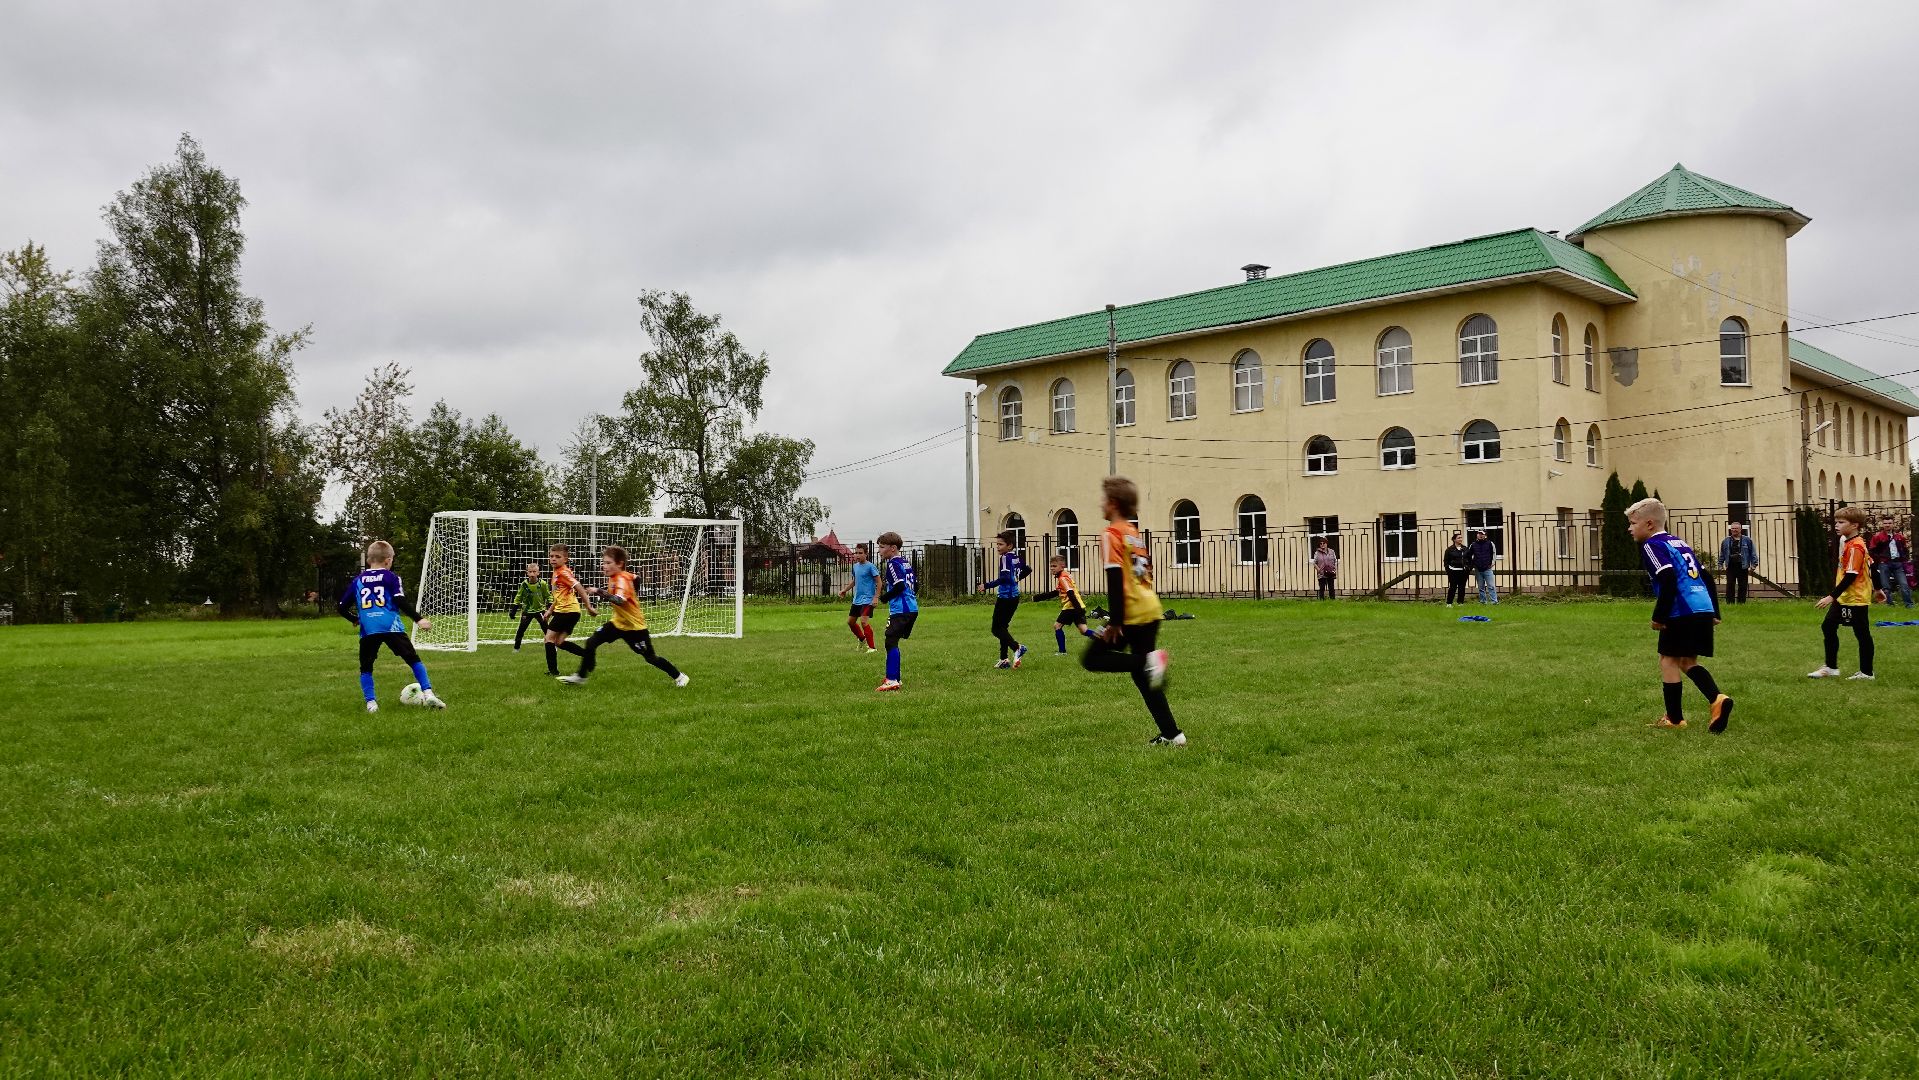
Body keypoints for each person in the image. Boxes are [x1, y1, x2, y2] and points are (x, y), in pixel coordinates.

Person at [1081, 476, 1183, 746]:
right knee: (1145, 678)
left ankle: (1149, 662)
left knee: (1092, 659)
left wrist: (1115, 621)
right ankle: (1173, 734)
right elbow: (1144, 572)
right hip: (1150, 607)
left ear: (1113, 503)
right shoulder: (1133, 533)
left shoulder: (1110, 534)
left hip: (1130, 612)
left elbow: (1115, 579)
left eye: (1104, 499)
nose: (1101, 504)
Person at [1626, 499, 1730, 732]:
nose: (1629, 528)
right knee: (1687, 661)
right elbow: (1707, 577)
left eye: (1633, 523)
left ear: (1649, 524)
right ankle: (1718, 699)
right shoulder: (1678, 542)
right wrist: (1713, 610)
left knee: (1668, 660)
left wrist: (1659, 616)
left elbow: (1669, 578)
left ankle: (1674, 719)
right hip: (1701, 607)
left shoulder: (1652, 546)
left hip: (1681, 610)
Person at [337, 539, 445, 712]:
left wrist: (354, 619)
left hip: (369, 629)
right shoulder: (391, 577)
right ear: (388, 560)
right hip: (391, 627)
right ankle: (428, 693)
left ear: (368, 560)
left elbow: (341, 607)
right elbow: (399, 599)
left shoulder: (358, 580)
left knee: (366, 667)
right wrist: (418, 619)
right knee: (413, 659)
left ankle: (371, 703)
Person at [558, 545, 688, 687]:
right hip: (618, 623)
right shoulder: (619, 576)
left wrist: (598, 591)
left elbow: (619, 601)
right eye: (604, 562)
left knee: (650, 657)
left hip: (634, 628)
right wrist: (634, 592)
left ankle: (679, 676)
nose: (604, 566)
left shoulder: (621, 580)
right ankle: (581, 676)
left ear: (619, 564)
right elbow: (637, 577)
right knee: (591, 642)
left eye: (608, 563)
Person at [1809, 506, 1884, 680]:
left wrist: (1831, 596)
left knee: (1862, 633)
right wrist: (1879, 589)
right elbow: (1872, 566)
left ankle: (1866, 672)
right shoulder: (1848, 541)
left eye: (1841, 522)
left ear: (1855, 525)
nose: (1836, 525)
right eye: (1836, 521)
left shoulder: (1856, 547)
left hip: (1855, 598)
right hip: (1845, 597)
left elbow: (1851, 575)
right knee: (1828, 626)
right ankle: (1831, 667)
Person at [539, 543, 597, 678]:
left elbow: (580, 588)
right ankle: (588, 655)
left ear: (565, 559)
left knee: (549, 639)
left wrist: (588, 606)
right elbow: (559, 596)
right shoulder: (557, 572)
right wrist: (549, 611)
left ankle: (553, 672)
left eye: (557, 556)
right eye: (551, 556)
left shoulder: (563, 573)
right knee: (559, 642)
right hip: (570, 612)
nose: (553, 559)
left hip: (567, 612)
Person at [980, 530, 1031, 668]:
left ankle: (1017, 648)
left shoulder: (1005, 558)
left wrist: (986, 585)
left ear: (1009, 545)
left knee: (996, 629)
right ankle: (1004, 659)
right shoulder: (1016, 557)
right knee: (1003, 628)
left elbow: (1004, 578)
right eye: (997, 544)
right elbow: (1027, 569)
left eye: (1000, 544)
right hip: (1014, 597)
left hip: (1005, 597)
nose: (998, 547)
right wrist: (1016, 580)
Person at [874, 532, 917, 692]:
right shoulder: (905, 563)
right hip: (911, 608)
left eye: (882, 547)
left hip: (902, 609)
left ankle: (892, 679)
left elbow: (899, 586)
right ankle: (894, 678)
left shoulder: (892, 564)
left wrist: (884, 598)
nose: (879, 551)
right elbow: (915, 585)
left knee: (890, 640)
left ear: (892, 548)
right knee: (892, 639)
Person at [1032, 552, 1094, 654]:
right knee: (1084, 630)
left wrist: (1077, 609)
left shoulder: (1062, 578)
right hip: (1078, 606)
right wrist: (1037, 598)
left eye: (1054, 566)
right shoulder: (1065, 576)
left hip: (1071, 607)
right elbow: (1056, 593)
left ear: (1062, 566)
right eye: (1051, 566)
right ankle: (1105, 639)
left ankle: (1062, 652)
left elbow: (1070, 593)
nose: (1052, 568)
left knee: (1057, 626)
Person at [838, 543, 880, 653]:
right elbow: (855, 581)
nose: (857, 555)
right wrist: (844, 590)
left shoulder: (871, 566)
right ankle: (862, 639)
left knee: (864, 622)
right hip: (857, 599)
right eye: (856, 553)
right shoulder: (855, 567)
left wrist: (876, 597)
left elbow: (879, 582)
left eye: (860, 553)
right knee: (850, 622)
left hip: (868, 599)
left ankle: (872, 648)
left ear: (866, 554)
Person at [1869, 517, 1914, 609]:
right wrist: (1879, 559)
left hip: (1897, 563)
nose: (1887, 525)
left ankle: (1909, 604)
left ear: (1893, 524)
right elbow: (1872, 550)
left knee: (1904, 584)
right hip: (1884, 563)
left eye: (1889, 523)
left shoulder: (1899, 537)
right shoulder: (1878, 537)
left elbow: (1904, 549)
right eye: (1885, 523)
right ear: (1882, 524)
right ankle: (1889, 604)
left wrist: (1904, 559)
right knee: (1886, 586)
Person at [509, 561, 551, 650]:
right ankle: (516, 648)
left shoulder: (542, 584)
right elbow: (518, 597)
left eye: (534, 571)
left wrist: (550, 607)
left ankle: (552, 646)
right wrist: (514, 610)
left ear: (538, 573)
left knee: (546, 630)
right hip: (527, 611)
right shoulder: (524, 584)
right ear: (527, 573)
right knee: (521, 630)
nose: (532, 574)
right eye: (530, 572)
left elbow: (548, 596)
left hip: (540, 610)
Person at [1718, 523, 1757, 604]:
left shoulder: (1747, 540)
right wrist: (1720, 564)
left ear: (1740, 529)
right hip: (1731, 566)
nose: (1734, 530)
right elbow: (1722, 554)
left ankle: (1741, 603)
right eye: (1732, 528)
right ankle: (1730, 603)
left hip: (1743, 566)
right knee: (1730, 586)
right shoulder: (1725, 541)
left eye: (1736, 528)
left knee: (1742, 586)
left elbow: (1752, 552)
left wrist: (1754, 564)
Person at [1468, 529, 1498, 604]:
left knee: (1491, 586)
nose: (1480, 535)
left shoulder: (1490, 543)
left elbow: (1494, 553)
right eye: (1479, 534)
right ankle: (1483, 601)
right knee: (1481, 587)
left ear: (1485, 535)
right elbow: (1469, 555)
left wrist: (1493, 562)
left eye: (1482, 534)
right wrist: (1472, 564)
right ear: (1477, 535)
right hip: (1478, 569)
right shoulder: (1473, 545)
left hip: (1487, 568)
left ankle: (1494, 601)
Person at [1443, 532, 1469, 606]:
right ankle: (1449, 603)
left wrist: (1468, 568)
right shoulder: (1449, 549)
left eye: (1461, 537)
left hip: (1463, 571)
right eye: (1458, 538)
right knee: (1453, 587)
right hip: (1453, 571)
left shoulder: (1465, 549)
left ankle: (1460, 603)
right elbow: (1446, 561)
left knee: (1462, 587)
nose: (1460, 539)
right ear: (1454, 539)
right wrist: (1448, 570)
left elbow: (1469, 559)